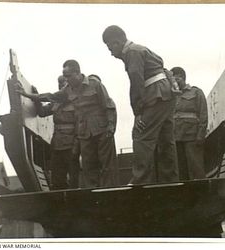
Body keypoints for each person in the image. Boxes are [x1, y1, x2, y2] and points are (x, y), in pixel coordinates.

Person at [18, 60, 118, 188]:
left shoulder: (95, 84)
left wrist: (111, 125)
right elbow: (50, 96)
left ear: (77, 73)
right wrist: (26, 94)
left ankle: (111, 194)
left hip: (102, 130)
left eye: (68, 76)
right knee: (88, 167)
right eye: (64, 76)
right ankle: (94, 198)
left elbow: (109, 105)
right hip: (85, 134)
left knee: (107, 165)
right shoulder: (67, 90)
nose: (66, 79)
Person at [102, 25, 179, 185]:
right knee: (166, 139)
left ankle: (140, 180)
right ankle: (169, 180)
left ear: (117, 42)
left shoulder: (132, 52)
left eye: (110, 47)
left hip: (155, 95)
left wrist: (138, 112)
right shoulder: (140, 49)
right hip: (166, 96)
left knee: (140, 135)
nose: (111, 53)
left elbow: (136, 81)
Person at [32, 75, 80, 189]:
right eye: (59, 84)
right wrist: (36, 98)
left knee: (74, 180)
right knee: (57, 179)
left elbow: (80, 125)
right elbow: (42, 112)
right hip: (57, 145)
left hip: (71, 146)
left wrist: (77, 145)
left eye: (64, 84)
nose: (61, 87)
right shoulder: (56, 103)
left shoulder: (77, 101)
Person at [170, 67, 208, 180]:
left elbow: (203, 114)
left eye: (175, 79)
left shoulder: (196, 92)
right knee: (180, 171)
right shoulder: (172, 95)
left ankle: (201, 193)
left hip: (192, 136)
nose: (174, 82)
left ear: (181, 77)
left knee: (196, 168)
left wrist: (200, 135)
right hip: (175, 137)